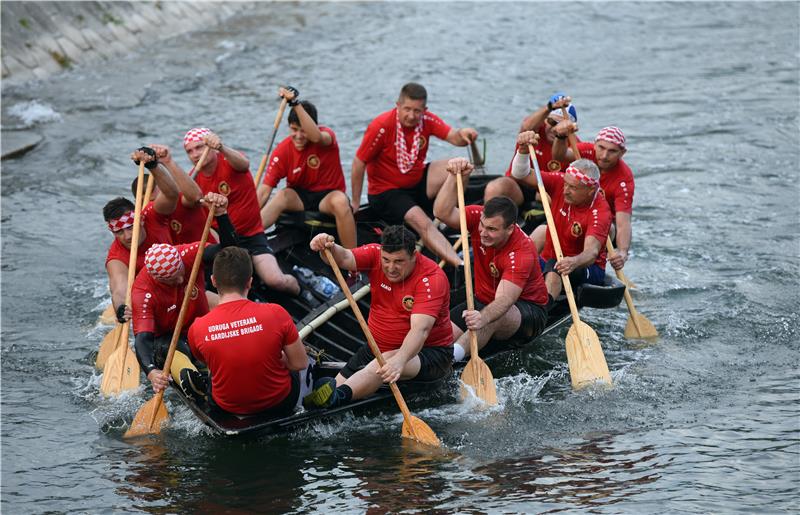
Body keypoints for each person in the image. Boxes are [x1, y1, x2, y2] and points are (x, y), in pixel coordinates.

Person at [303, 225, 453, 409]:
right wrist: (329, 247)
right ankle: (329, 400)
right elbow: (343, 257)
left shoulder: (431, 279)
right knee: (336, 388)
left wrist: (400, 361)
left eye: (399, 261)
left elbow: (420, 330)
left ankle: (339, 397)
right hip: (376, 346)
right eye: (386, 260)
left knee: (385, 362)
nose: (391, 268)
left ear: (414, 255)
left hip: (428, 355)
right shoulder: (375, 254)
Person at [433, 158, 550, 361]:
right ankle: (427, 361)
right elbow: (441, 212)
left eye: (492, 229)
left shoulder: (521, 252)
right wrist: (453, 177)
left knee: (493, 317)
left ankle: (451, 360)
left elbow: (504, 301)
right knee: (438, 335)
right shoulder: (480, 218)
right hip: (483, 300)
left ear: (510, 229)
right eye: (482, 226)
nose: (483, 233)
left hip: (527, 313)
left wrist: (482, 317)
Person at [350, 82, 478, 267]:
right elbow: (358, 162)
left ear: (424, 110)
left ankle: (448, 214)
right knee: (421, 221)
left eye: (417, 111)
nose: (411, 116)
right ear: (398, 105)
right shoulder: (381, 126)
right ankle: (460, 264)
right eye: (407, 109)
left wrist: (464, 134)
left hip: (416, 183)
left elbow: (454, 137)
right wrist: (355, 202)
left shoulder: (427, 120)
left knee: (460, 167)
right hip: (386, 192)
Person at [131, 192, 237, 398]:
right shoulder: (142, 293)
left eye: (181, 274)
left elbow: (229, 250)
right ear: (157, 279)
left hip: (202, 326)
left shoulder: (187, 254)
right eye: (172, 280)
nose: (181, 281)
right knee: (180, 352)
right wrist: (152, 372)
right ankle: (192, 379)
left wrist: (223, 215)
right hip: (169, 339)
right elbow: (143, 340)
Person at [188, 247, 311, 417]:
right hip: (279, 403)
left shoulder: (197, 327)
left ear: (214, 281)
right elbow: (300, 364)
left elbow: (209, 363)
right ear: (250, 282)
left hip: (227, 408)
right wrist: (279, 356)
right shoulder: (276, 312)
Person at [184, 127, 304, 297]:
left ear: (210, 146)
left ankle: (301, 291)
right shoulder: (193, 180)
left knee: (276, 281)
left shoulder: (230, 161)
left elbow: (244, 164)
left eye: (199, 147)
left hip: (252, 236)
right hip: (224, 241)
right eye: (190, 151)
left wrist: (221, 147)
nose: (195, 154)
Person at [512, 131, 612, 299]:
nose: (565, 190)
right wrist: (522, 151)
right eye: (565, 184)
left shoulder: (600, 212)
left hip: (587, 269)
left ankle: (542, 311)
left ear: (590, 191)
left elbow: (591, 253)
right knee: (519, 258)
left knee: (555, 267)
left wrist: (573, 262)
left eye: (572, 188)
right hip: (552, 257)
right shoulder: (560, 182)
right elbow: (520, 174)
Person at [257, 87, 357, 249]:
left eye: (303, 131)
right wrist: (244, 221)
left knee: (340, 202)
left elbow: (316, 137)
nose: (298, 136)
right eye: (294, 130)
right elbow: (264, 192)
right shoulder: (282, 150)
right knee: (282, 195)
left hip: (328, 197)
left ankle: (354, 260)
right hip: (300, 198)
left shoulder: (326, 136)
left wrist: (295, 104)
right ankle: (247, 238)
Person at [103, 147, 179, 324]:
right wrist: (121, 307)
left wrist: (153, 166)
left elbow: (172, 193)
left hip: (180, 279)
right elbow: (119, 287)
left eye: (131, 227)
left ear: (141, 219)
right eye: (119, 232)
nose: (128, 236)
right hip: (154, 298)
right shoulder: (116, 257)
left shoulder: (152, 214)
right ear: (112, 231)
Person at [551, 122, 635, 271]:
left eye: (612, 151)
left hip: (604, 225)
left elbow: (623, 221)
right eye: (601, 148)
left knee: (610, 228)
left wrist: (622, 252)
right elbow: (559, 155)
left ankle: (592, 262)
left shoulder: (624, 179)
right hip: (577, 211)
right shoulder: (586, 151)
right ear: (595, 144)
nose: (604, 156)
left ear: (622, 153)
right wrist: (561, 136)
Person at [484, 92, 578, 205]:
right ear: (545, 120)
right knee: (495, 188)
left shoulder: (575, 146)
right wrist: (549, 107)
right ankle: (487, 220)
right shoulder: (534, 129)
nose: (555, 129)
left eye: (561, 127)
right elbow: (526, 126)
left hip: (550, 192)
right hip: (519, 186)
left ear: (571, 130)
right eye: (552, 122)